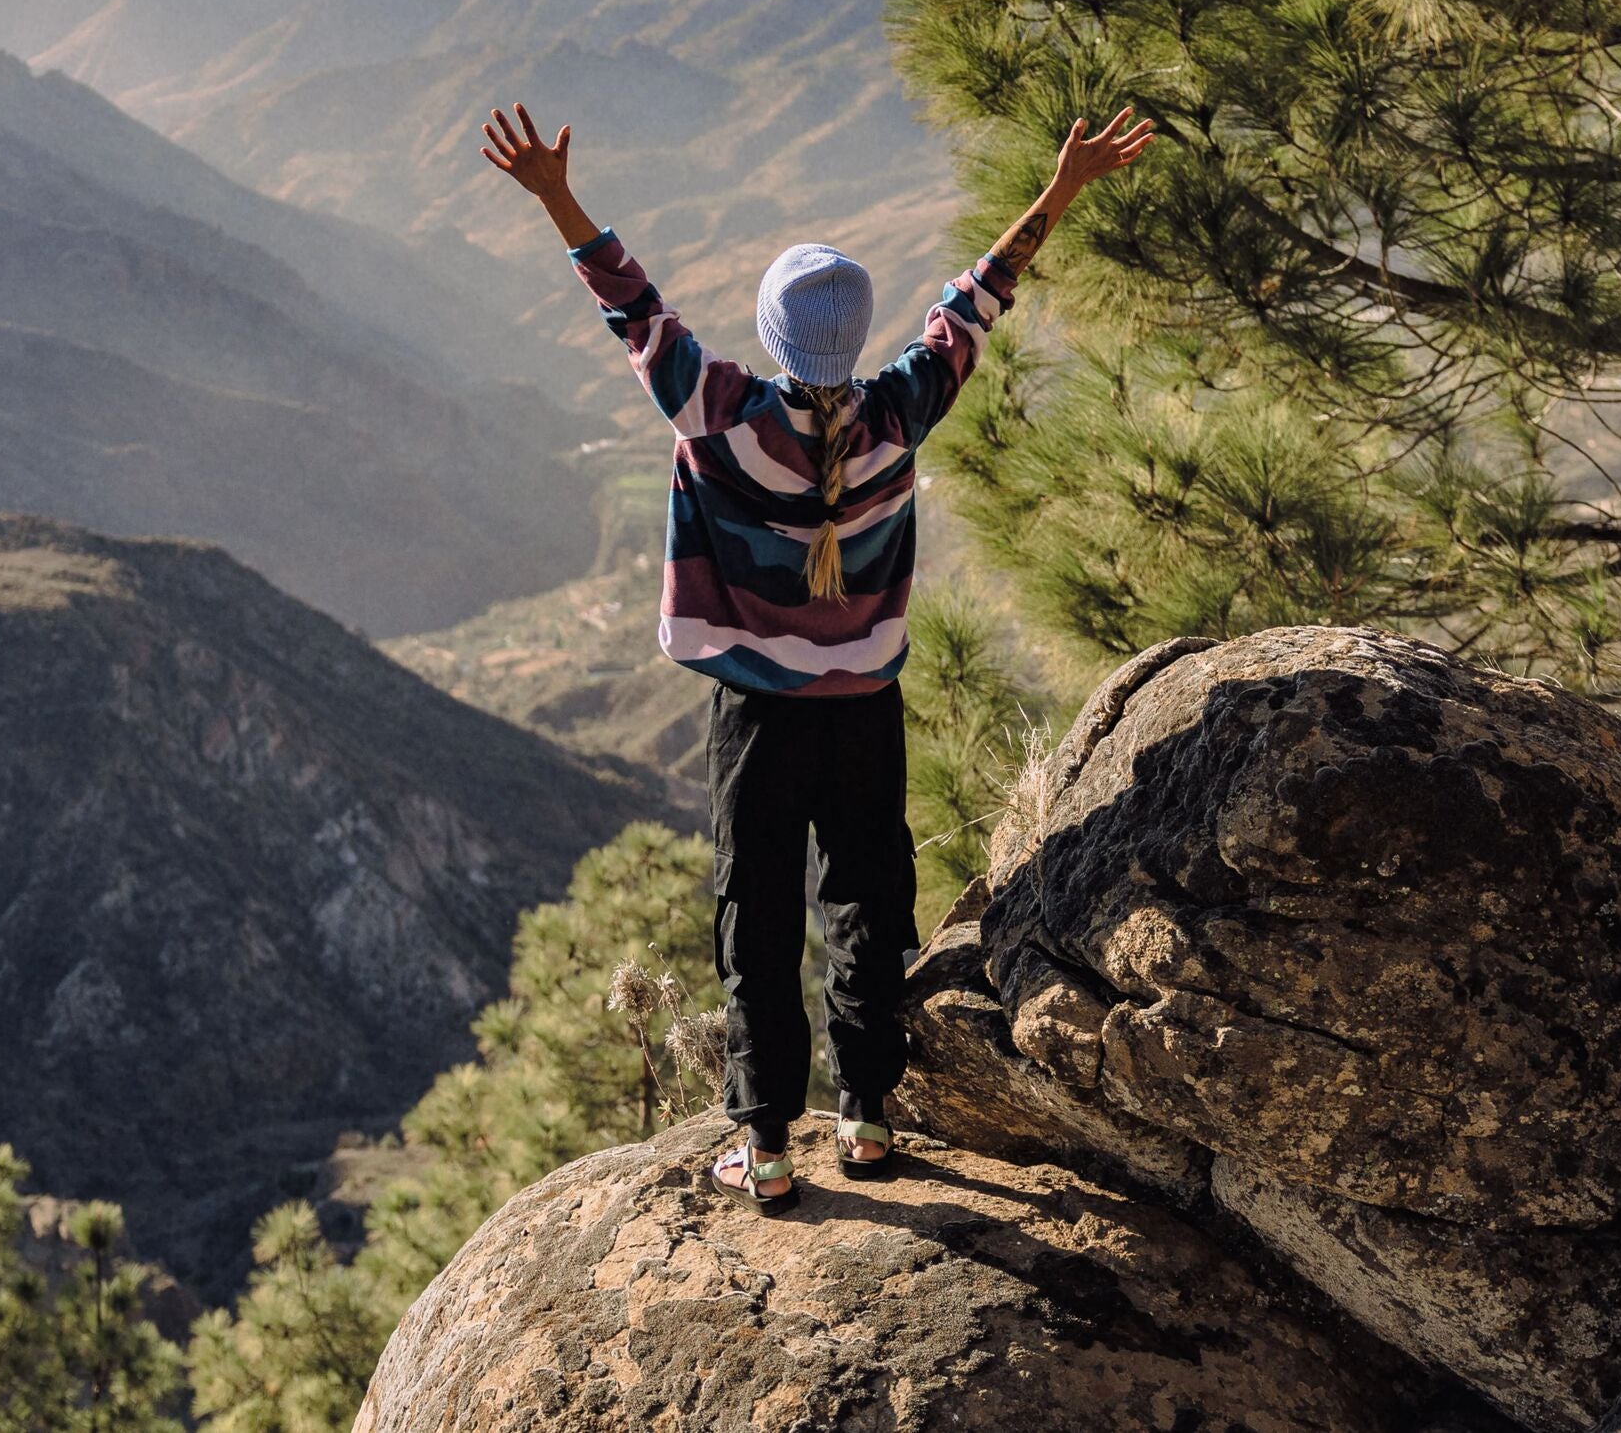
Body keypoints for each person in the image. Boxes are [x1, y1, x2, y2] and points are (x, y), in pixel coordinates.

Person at [479, 98, 1155, 1208]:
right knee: (866, 901)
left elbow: (631, 305)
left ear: (773, 338)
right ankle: (868, 1115)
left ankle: (766, 1140)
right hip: (862, 710)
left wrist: (556, 195)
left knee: (756, 908)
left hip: (754, 714)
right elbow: (975, 302)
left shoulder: (719, 412)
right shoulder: (900, 414)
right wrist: (1061, 187)